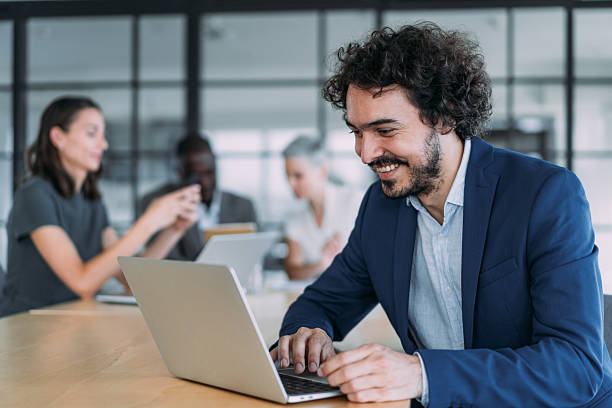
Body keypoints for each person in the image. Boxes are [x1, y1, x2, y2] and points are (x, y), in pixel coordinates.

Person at [270, 23, 612, 407]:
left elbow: (576, 367)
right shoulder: (380, 209)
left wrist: (421, 373)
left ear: (445, 117)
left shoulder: (544, 195)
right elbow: (321, 303)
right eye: (356, 132)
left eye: (385, 130)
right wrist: (307, 334)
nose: (365, 154)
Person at [0, 96, 200, 317]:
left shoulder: (92, 202)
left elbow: (131, 280)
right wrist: (149, 222)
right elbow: (83, 282)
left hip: (69, 322)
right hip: (25, 325)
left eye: (103, 135)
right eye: (91, 133)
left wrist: (174, 230)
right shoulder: (34, 196)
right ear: (58, 137)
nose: (103, 144)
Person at [139, 133, 257, 261]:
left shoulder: (243, 206)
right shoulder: (159, 205)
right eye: (196, 176)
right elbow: (163, 262)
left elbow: (252, 256)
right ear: (180, 171)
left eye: (210, 173)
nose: (205, 183)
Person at [282, 136, 362, 280]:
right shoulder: (294, 218)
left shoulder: (355, 202)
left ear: (322, 171)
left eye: (298, 176)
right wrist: (322, 265)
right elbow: (293, 271)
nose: (291, 183)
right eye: (287, 176)